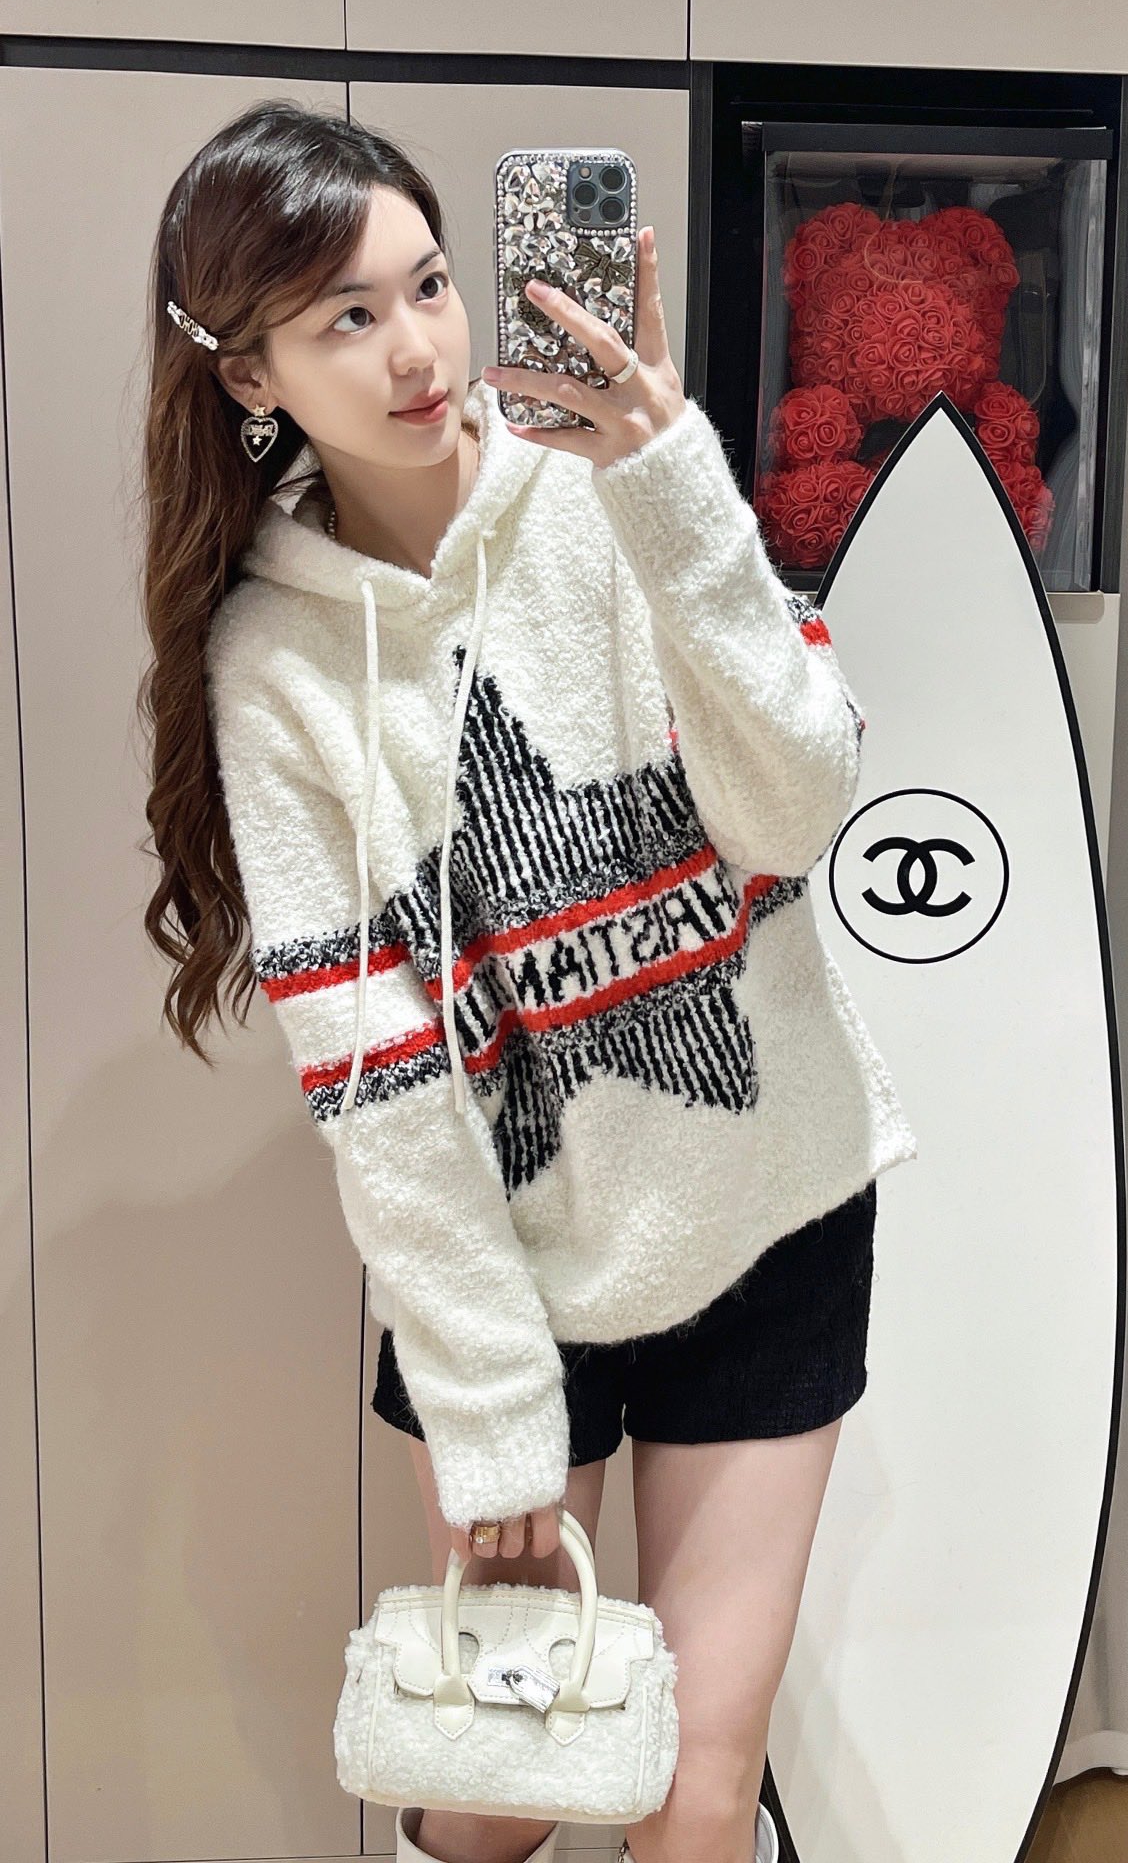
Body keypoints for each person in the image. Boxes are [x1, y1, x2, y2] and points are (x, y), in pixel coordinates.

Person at [139, 99, 917, 1863]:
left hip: (769, 1210)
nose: (417, 349)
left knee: (695, 1790)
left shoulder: (618, 490)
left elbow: (800, 807)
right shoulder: (275, 663)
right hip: (514, 1288)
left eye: (428, 284)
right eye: (346, 317)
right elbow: (381, 1077)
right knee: (493, 1800)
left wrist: (670, 483)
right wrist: (492, 1411)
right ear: (250, 373)